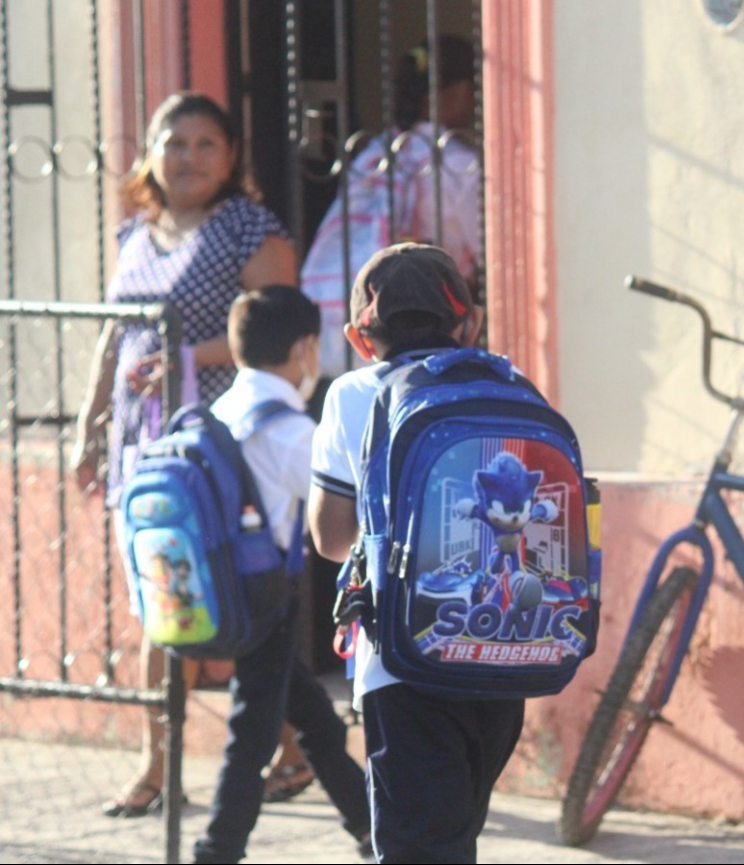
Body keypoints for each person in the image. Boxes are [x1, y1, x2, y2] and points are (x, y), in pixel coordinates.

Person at [69, 91, 298, 818]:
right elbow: (114, 335)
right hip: (142, 445)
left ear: (230, 158)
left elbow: (278, 324)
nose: (189, 157)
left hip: (216, 443)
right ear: (150, 154)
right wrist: (88, 424)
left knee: (230, 601)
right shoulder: (133, 233)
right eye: (175, 142)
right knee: (158, 598)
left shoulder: (247, 227)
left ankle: (294, 744)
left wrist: (183, 356)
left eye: (206, 145)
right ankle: (159, 765)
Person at [308, 243, 523, 863]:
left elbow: (331, 538)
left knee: (418, 847)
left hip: (404, 660)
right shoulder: (509, 385)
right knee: (455, 833)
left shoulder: (354, 393)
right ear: (470, 322)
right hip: (507, 647)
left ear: (358, 336)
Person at [193, 285, 370, 863]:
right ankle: (216, 852)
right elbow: (342, 513)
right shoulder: (291, 431)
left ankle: (371, 829)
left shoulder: (219, 412)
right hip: (265, 596)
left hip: (226, 591)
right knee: (253, 736)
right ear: (304, 348)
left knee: (316, 721)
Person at [301, 34, 482, 380]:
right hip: (433, 321)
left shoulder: (376, 155)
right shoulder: (458, 164)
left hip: (368, 324)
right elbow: (483, 247)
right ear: (460, 92)